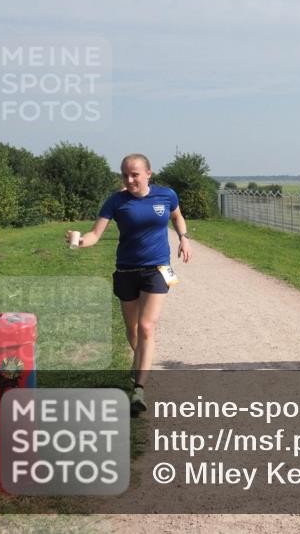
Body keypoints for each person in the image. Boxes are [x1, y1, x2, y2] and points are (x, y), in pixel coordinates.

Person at [66, 153, 191, 413]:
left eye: (135, 174)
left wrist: (184, 238)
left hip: (158, 269)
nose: (130, 180)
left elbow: (177, 216)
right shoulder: (116, 201)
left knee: (146, 326)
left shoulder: (166, 195)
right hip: (126, 271)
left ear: (148, 174)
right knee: (132, 330)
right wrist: (79, 241)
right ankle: (141, 360)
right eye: (125, 175)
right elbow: (95, 234)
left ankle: (139, 389)